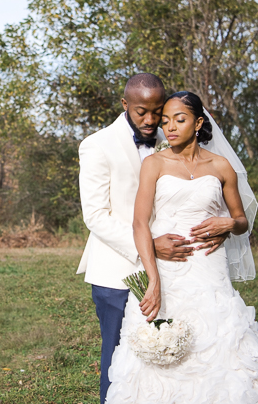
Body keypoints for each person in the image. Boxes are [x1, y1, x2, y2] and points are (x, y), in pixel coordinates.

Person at [105, 91, 258, 403]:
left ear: (199, 122)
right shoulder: (154, 164)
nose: (169, 127)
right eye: (165, 121)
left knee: (217, 340)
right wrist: (154, 281)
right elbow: (139, 223)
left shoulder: (221, 166)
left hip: (209, 267)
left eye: (179, 119)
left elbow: (242, 220)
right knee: (160, 345)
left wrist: (228, 224)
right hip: (166, 267)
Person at [77, 75, 228, 404]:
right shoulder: (97, 145)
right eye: (142, 112)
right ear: (125, 105)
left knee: (171, 360)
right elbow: (96, 215)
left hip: (174, 271)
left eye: (157, 112)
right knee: (120, 361)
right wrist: (149, 244)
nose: (151, 121)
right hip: (118, 270)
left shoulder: (172, 137)